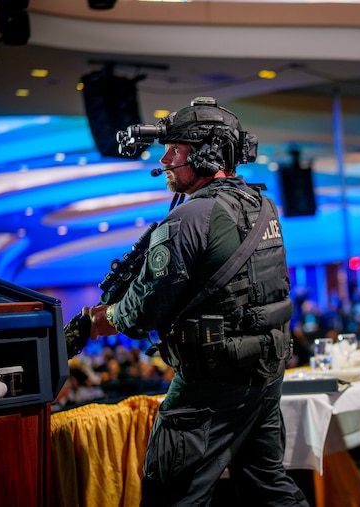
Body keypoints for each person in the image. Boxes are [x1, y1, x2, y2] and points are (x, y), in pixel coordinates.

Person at [82, 97, 309, 506]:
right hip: (265, 374)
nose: (166, 159)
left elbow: (141, 313)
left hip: (210, 382)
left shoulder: (187, 219)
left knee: (171, 496)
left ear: (206, 154)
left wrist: (104, 317)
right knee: (268, 488)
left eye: (176, 149)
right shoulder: (263, 207)